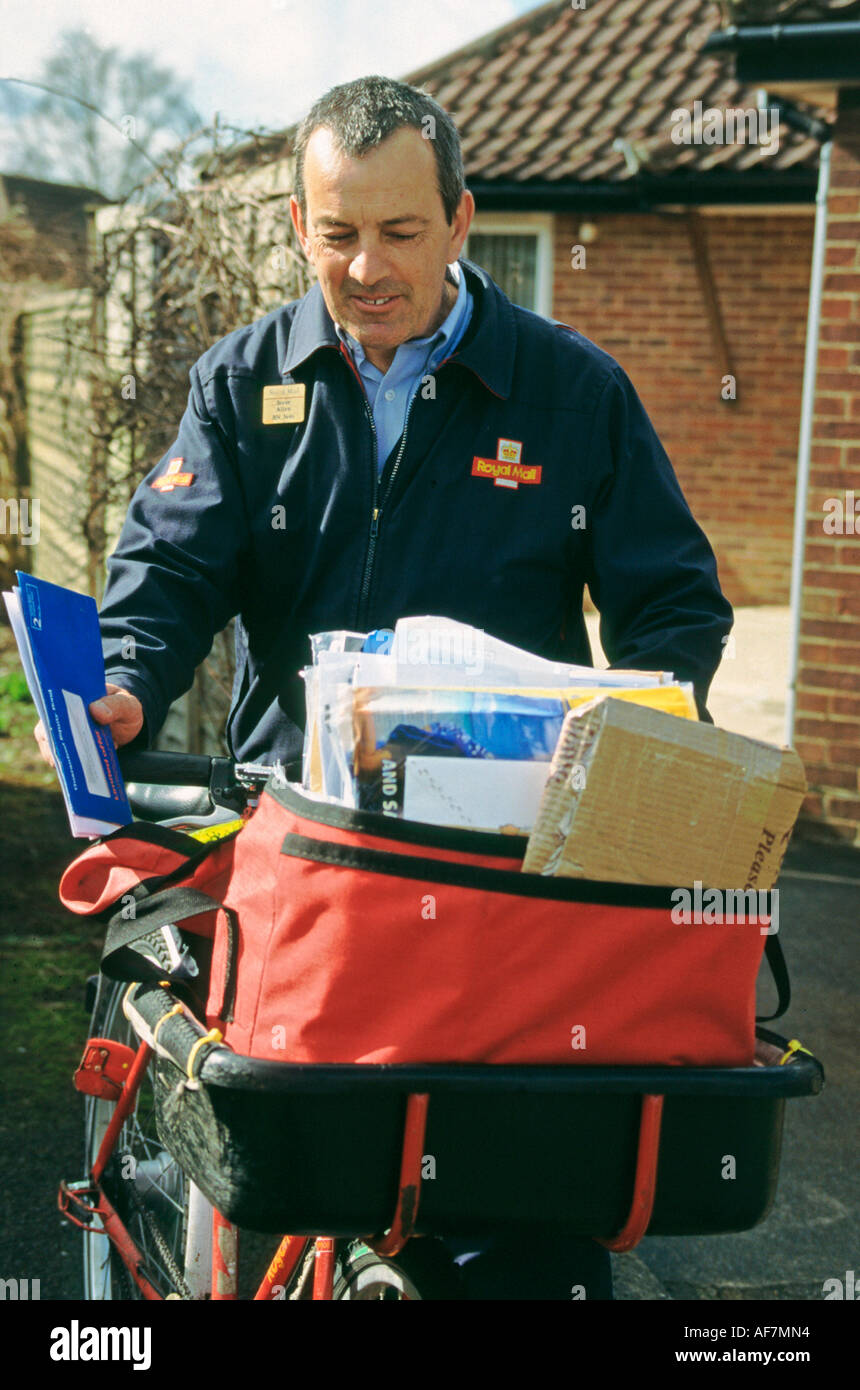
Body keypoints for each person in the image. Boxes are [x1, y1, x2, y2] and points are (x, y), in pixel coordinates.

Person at [36, 75, 733, 1298]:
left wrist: (645, 737)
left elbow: (671, 609)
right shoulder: (242, 384)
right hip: (294, 856)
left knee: (493, 1184)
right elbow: (167, 567)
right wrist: (134, 677)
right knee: (278, 1165)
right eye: (337, 231)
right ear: (300, 228)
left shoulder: (571, 394)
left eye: (400, 232)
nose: (365, 264)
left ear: (461, 221)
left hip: (497, 881)